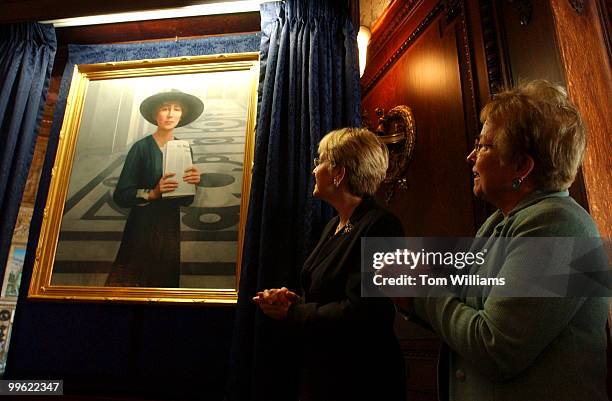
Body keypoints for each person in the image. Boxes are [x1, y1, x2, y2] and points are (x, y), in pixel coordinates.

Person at [400, 80, 610, 400]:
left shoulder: (560, 225)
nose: (471, 156)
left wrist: (421, 292)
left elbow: (495, 347)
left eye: (484, 145)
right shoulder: (498, 223)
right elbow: (465, 315)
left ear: (521, 166)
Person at [253, 128, 406, 401]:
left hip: (360, 380)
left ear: (339, 173)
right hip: (323, 372)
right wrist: (290, 299)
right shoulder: (334, 225)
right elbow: (326, 296)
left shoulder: (382, 225)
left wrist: (293, 312)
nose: (314, 170)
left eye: (320, 161)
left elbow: (364, 312)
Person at [106, 89, 204, 288]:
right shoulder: (141, 148)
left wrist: (192, 184)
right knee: (136, 279)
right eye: (165, 108)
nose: (170, 114)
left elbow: (186, 200)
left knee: (163, 282)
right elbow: (121, 195)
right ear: (154, 114)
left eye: (176, 109)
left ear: (181, 115)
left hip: (168, 228)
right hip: (141, 226)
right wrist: (152, 194)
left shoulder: (184, 148)